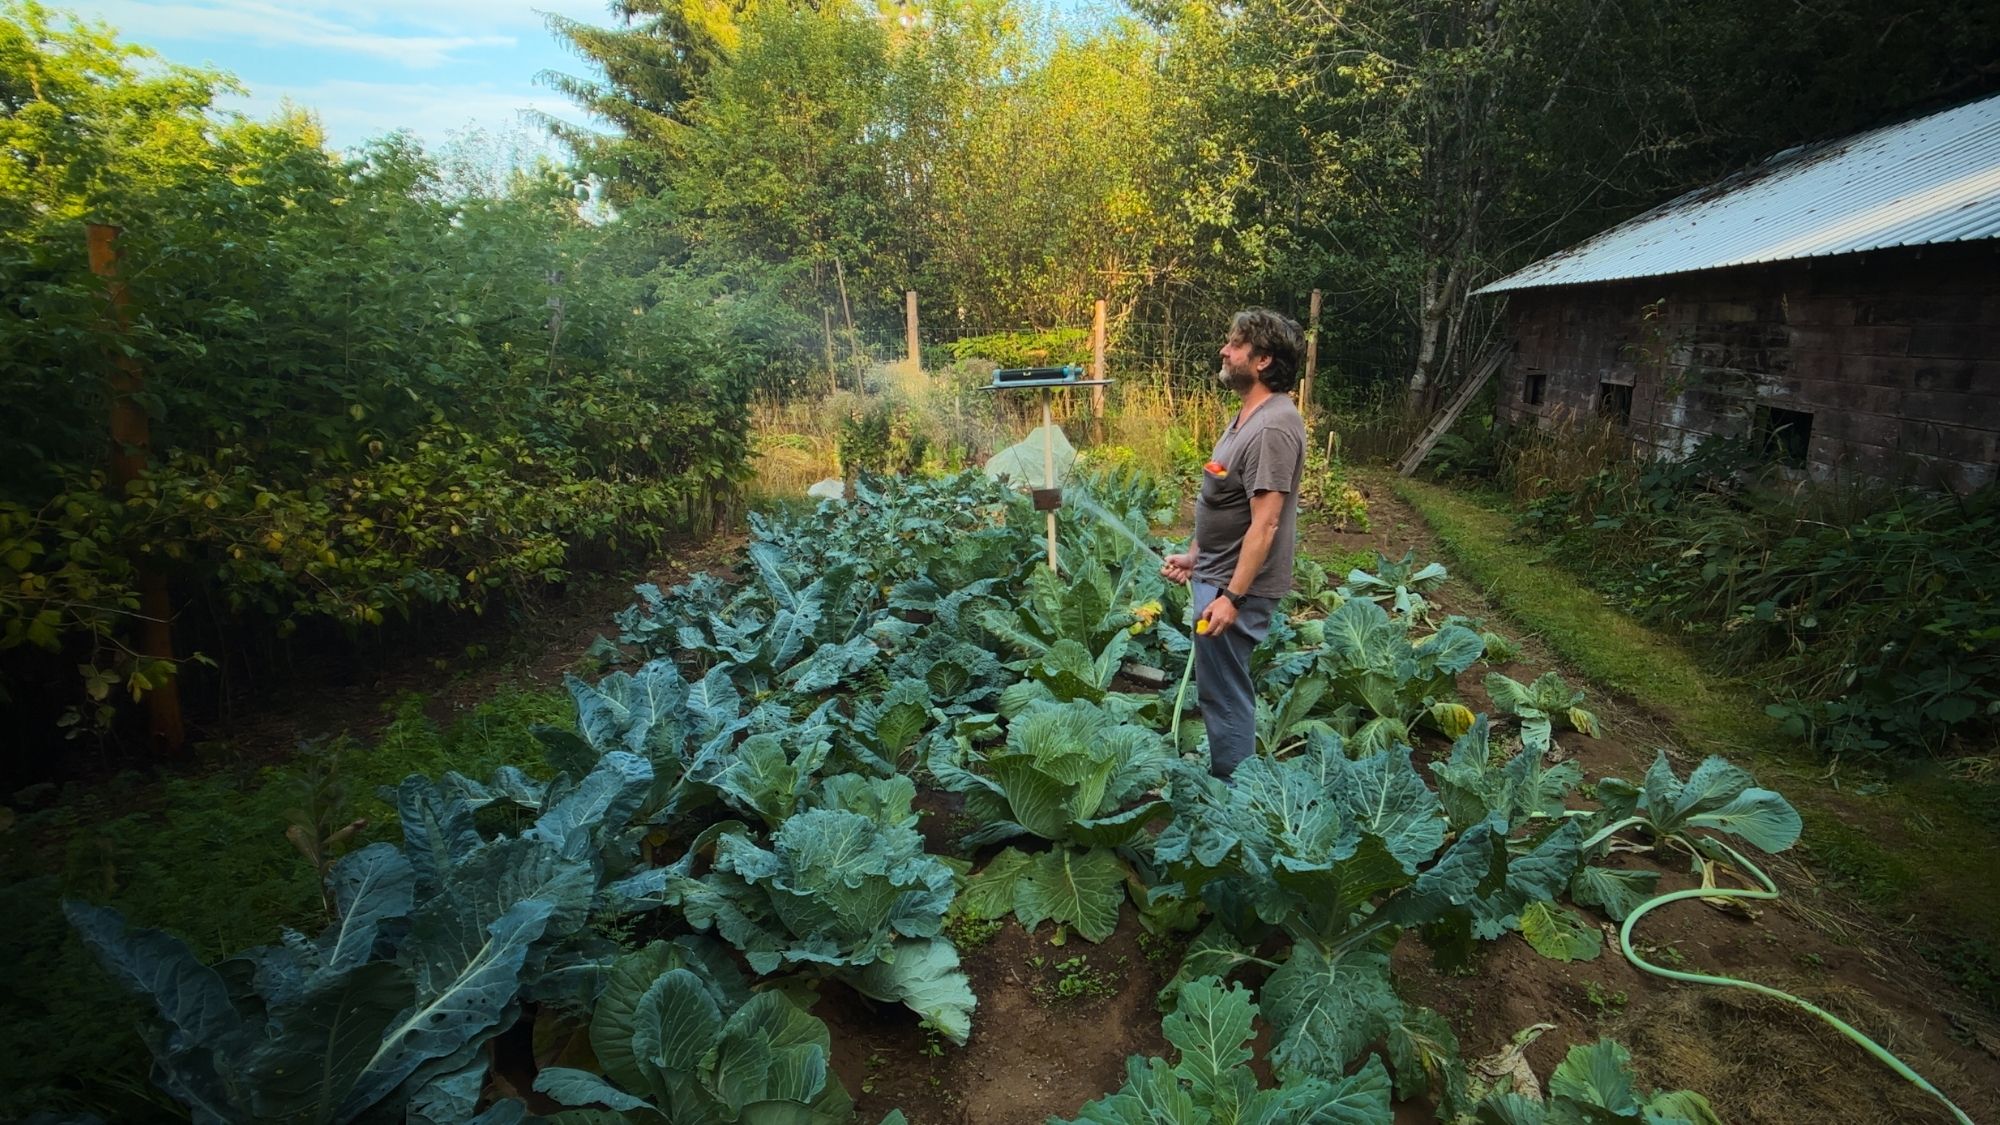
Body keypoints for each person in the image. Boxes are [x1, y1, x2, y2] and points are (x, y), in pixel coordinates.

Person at [1160, 308, 1307, 780]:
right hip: (1217, 575)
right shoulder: (1248, 415)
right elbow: (1230, 505)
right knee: (1217, 688)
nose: (1224, 351)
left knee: (1224, 694)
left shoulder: (1271, 429)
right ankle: (1232, 777)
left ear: (1262, 360)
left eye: (1235, 345)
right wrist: (1196, 556)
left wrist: (1231, 598)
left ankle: (1235, 795)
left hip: (1233, 589)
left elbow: (1265, 524)